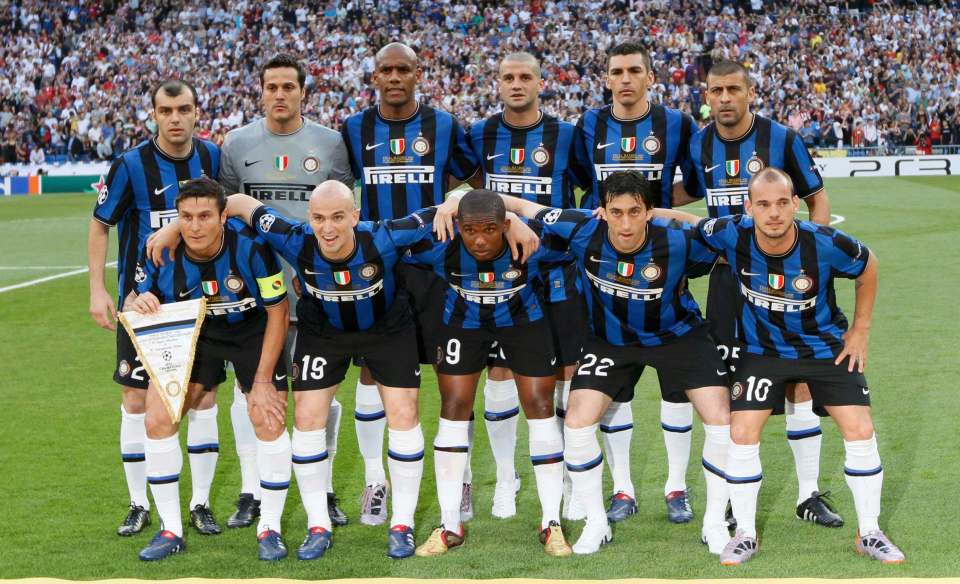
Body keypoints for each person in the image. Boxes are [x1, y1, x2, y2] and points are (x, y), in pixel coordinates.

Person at [463, 172, 731, 555]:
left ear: (649, 212)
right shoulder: (581, 229)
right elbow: (521, 205)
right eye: (616, 212)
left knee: (721, 421)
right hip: (611, 341)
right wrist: (496, 216)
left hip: (679, 337)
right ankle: (596, 522)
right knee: (576, 424)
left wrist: (673, 216)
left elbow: (728, 239)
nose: (625, 223)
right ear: (601, 212)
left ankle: (715, 523)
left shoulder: (677, 241)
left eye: (635, 212)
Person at [660, 167, 904, 566]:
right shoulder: (732, 233)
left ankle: (870, 533)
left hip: (823, 349)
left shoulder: (824, 243)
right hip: (762, 353)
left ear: (794, 205)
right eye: (763, 204)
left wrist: (861, 330)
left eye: (780, 203)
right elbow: (690, 221)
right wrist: (645, 212)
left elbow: (868, 265)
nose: (773, 213)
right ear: (748, 208)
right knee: (742, 432)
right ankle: (745, 534)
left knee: (860, 429)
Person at [677, 59, 841, 529]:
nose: (724, 98)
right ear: (706, 97)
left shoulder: (782, 139)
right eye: (716, 90)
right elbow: (690, 191)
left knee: (799, 379)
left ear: (750, 92)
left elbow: (817, 198)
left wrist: (810, 257)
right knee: (728, 384)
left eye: (733, 89)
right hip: (728, 278)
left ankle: (808, 494)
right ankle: (732, 494)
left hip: (783, 278)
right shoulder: (699, 143)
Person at [340, 42, 479, 524]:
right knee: (372, 371)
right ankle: (375, 480)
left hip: (437, 267)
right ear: (374, 77)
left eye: (403, 69)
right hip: (379, 269)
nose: (395, 77)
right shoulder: (354, 129)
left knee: (453, 372)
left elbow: (475, 179)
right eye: (387, 70)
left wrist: (452, 198)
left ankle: (460, 478)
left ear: (418, 73)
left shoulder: (444, 126)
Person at [217, 53, 355, 531]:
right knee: (250, 394)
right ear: (261, 91)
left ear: (303, 92)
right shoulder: (236, 144)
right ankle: (251, 490)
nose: (279, 94)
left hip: (316, 293)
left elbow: (341, 214)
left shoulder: (331, 144)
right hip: (256, 296)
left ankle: (326, 489)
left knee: (320, 396)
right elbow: (227, 214)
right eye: (271, 86)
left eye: (288, 87)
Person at [128, 177, 289, 561]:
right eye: (186, 217)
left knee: (268, 418)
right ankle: (170, 530)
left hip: (251, 332)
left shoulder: (251, 247)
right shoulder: (159, 251)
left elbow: (278, 311)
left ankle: (270, 528)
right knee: (157, 419)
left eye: (204, 216)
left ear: (223, 217)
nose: (195, 226)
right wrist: (141, 301)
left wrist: (262, 381)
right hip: (195, 335)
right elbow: (134, 299)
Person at [87, 79, 221, 537]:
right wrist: (97, 290)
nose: (175, 118)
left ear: (196, 112)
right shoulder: (129, 165)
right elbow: (100, 224)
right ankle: (138, 503)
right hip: (142, 304)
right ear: (154, 115)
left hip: (200, 302)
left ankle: (200, 503)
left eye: (183, 109)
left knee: (203, 397)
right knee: (136, 399)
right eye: (166, 111)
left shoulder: (212, 158)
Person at [575, 40, 701, 526]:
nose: (625, 79)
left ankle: (675, 487)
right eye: (617, 71)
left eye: (634, 70)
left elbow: (696, 183)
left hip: (664, 262)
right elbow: (581, 184)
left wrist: (656, 212)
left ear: (651, 77)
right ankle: (623, 489)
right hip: (608, 265)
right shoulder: (588, 125)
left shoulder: (677, 124)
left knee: (676, 388)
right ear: (606, 79)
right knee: (617, 389)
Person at [413, 189, 572, 558]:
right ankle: (449, 524)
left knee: (540, 406)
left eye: (489, 229)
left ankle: (551, 521)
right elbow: (386, 236)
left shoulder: (532, 242)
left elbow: (579, 234)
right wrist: (449, 202)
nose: (480, 240)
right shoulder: (440, 242)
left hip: (523, 322)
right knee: (454, 406)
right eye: (470, 230)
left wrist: (517, 220)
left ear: (504, 225)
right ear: (458, 226)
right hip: (462, 323)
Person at [465, 51, 590, 519]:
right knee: (499, 375)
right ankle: (505, 478)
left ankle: (569, 479)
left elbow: (586, 189)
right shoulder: (479, 135)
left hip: (556, 271)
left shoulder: (567, 136)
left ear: (541, 83)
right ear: (497, 83)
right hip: (500, 276)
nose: (516, 84)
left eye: (525, 77)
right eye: (508, 77)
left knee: (565, 375)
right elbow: (474, 191)